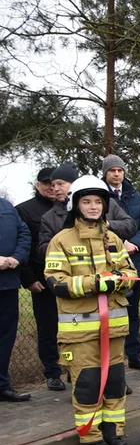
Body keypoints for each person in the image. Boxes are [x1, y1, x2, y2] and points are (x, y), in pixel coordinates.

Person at [44, 176, 137, 445]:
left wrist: (120, 279)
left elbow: (132, 273)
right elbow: (55, 282)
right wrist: (93, 284)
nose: (93, 206)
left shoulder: (113, 238)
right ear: (76, 204)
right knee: (88, 384)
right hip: (80, 330)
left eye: (98, 201)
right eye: (87, 201)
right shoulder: (61, 241)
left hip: (116, 327)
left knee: (115, 382)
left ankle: (114, 430)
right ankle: (89, 435)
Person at [102, 155, 140, 371]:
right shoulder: (98, 196)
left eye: (120, 170)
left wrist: (133, 244)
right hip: (108, 265)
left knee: (133, 312)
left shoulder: (136, 196)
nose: (116, 174)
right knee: (110, 314)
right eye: (112, 170)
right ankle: (112, 361)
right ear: (105, 173)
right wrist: (120, 242)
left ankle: (134, 355)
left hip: (134, 262)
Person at [16, 167, 67, 392]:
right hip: (43, 279)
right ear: (38, 185)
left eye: (55, 183)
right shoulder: (24, 210)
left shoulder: (73, 207)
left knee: (73, 326)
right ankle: (52, 372)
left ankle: (74, 369)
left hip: (73, 279)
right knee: (48, 327)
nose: (51, 187)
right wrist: (28, 279)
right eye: (46, 183)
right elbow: (24, 246)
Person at [37, 162, 137, 261]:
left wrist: (107, 225)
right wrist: (66, 244)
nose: (55, 189)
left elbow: (130, 226)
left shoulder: (108, 204)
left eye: (60, 184)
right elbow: (42, 249)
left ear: (74, 184)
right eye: (53, 185)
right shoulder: (49, 217)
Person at [1, 193, 32, 402]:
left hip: (7, 285)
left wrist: (16, 258)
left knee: (5, 338)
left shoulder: (6, 207)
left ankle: (2, 385)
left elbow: (24, 234)